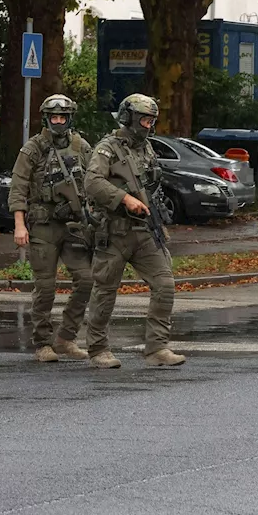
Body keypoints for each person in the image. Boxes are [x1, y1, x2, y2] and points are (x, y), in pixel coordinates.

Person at [83, 94, 185, 369]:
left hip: (144, 231)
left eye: (152, 120)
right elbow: (92, 182)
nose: (148, 125)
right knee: (105, 291)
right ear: (127, 117)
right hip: (114, 231)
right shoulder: (107, 148)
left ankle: (157, 347)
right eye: (143, 119)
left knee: (165, 285)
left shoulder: (147, 149)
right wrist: (124, 199)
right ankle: (98, 349)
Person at [8, 94, 94, 363]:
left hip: (74, 226)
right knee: (45, 286)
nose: (59, 122)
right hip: (43, 226)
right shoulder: (33, 148)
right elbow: (18, 187)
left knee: (87, 279)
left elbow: (95, 180)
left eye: (63, 117)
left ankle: (66, 336)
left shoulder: (81, 146)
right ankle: (43, 342)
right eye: (54, 117)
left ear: (70, 118)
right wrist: (19, 225)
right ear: (46, 118)